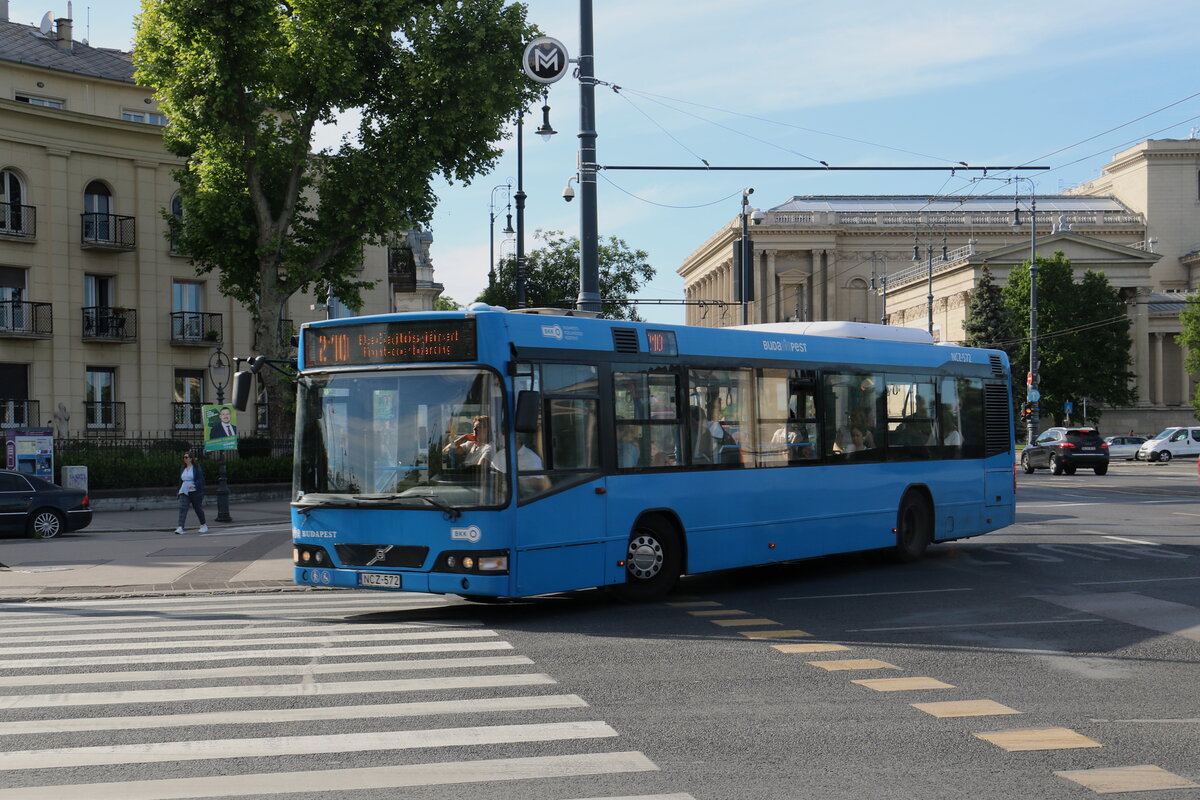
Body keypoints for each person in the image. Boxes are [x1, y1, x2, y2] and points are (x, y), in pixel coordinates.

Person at [174, 452, 208, 535]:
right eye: (184, 457)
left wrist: (194, 485)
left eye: (186, 457)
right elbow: (180, 480)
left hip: (195, 491)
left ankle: (203, 525)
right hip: (184, 490)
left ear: (191, 458)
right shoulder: (183, 468)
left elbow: (201, 479)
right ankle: (180, 527)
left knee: (197, 508)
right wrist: (179, 490)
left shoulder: (196, 467)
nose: (184, 458)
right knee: (182, 508)